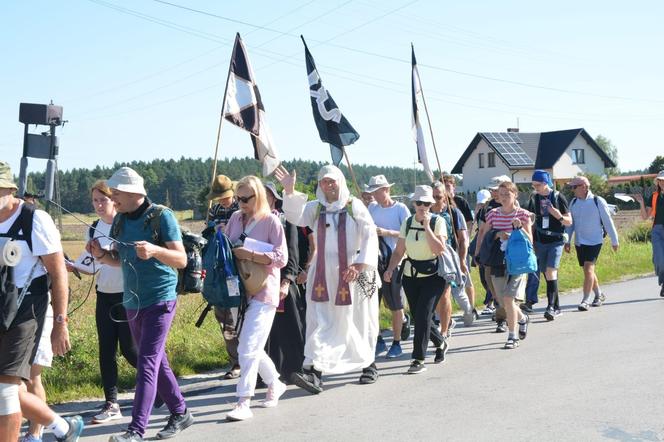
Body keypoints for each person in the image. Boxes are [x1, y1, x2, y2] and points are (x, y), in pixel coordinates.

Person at [89, 167, 193, 442]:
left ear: (133, 193)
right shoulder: (121, 220)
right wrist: (101, 255)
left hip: (160, 299)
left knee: (147, 363)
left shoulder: (161, 216)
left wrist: (155, 250)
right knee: (158, 363)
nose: (112, 198)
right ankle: (181, 412)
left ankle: (136, 430)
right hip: (132, 302)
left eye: (116, 193)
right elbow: (118, 260)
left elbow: (181, 260)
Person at [275, 164, 380, 392]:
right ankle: (314, 373)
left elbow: (370, 235)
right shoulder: (315, 208)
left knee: (357, 321)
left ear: (340, 181)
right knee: (319, 320)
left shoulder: (355, 206)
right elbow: (295, 217)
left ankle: (368, 364)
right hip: (323, 273)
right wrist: (290, 193)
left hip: (352, 271)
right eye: (324, 181)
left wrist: (360, 263)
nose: (328, 185)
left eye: (332, 180)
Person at [0, 161, 84, 442]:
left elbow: (58, 272)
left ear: (11, 190)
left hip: (27, 309)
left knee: (7, 389)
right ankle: (63, 427)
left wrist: (61, 322)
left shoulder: (34, 219)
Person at [67, 180, 138, 424]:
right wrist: (70, 266)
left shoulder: (126, 225)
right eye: (95, 201)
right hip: (104, 294)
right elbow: (90, 265)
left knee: (130, 350)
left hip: (128, 294)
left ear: (114, 200)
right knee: (106, 350)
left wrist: (106, 256)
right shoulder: (94, 228)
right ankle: (112, 403)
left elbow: (126, 259)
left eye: (103, 200)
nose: (98, 205)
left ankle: (162, 383)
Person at [224, 177, 288, 421]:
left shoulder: (271, 221)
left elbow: (281, 258)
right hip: (240, 291)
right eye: (238, 198)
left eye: (246, 198)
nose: (241, 203)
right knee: (248, 346)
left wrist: (251, 253)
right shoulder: (234, 219)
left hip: (264, 290)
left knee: (248, 347)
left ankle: (244, 400)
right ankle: (275, 383)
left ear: (258, 196)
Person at [384, 185, 449, 373]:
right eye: (419, 202)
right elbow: (399, 251)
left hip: (434, 276)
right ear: (414, 203)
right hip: (411, 276)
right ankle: (440, 343)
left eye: (426, 203)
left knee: (422, 315)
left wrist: (426, 226)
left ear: (431, 204)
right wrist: (390, 268)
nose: (422, 206)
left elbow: (439, 249)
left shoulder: (437, 222)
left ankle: (418, 359)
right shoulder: (407, 222)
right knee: (420, 316)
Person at [476, 181, 532, 349]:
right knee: (503, 301)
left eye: (508, 194)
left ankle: (512, 336)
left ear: (515, 195)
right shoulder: (492, 214)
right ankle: (522, 319)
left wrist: (518, 230)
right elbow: (484, 235)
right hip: (497, 260)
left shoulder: (523, 214)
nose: (504, 198)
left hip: (517, 261)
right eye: (501, 195)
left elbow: (530, 240)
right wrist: (480, 251)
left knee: (509, 298)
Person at [263, 182, 306, 383]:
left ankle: (295, 369)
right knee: (266, 330)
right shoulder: (251, 221)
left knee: (289, 326)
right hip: (260, 283)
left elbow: (292, 250)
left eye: (267, 195)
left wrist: (287, 279)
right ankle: (268, 373)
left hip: (282, 281)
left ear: (274, 198)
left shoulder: (284, 219)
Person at [366, 175, 411, 359]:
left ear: (386, 190)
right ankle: (377, 340)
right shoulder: (371, 208)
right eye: (372, 192)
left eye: (377, 191)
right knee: (371, 304)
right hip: (374, 261)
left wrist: (385, 232)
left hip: (395, 260)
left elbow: (408, 233)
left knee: (395, 304)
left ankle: (397, 342)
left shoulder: (401, 209)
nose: (374, 195)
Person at [565, 176, 619, 311]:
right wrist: (567, 240)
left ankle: (585, 300)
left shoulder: (597, 201)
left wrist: (614, 240)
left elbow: (608, 221)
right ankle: (599, 295)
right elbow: (570, 224)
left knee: (589, 269)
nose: (572, 190)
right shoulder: (573, 202)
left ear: (584, 187)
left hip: (595, 241)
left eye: (574, 187)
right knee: (588, 271)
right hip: (579, 242)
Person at [206, 174, 241, 380]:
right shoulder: (215, 209)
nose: (223, 200)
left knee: (240, 315)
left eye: (225, 196)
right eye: (219, 197)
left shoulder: (241, 206)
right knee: (224, 316)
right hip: (220, 269)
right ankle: (235, 361)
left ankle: (249, 359)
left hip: (238, 265)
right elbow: (208, 233)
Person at [527, 170, 572, 321]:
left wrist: (556, 214)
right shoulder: (534, 198)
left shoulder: (558, 197)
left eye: (538, 185)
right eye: (533, 185)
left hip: (556, 241)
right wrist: (531, 241)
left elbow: (569, 221)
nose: (535, 187)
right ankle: (557, 307)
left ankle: (550, 307)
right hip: (540, 241)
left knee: (551, 272)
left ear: (546, 183)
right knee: (547, 274)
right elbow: (531, 222)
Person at [431, 182, 476, 327]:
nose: (434, 200)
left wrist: (462, 260)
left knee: (457, 291)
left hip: (450, 258)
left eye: (438, 197)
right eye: (431, 197)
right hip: (431, 258)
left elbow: (463, 239)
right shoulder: (425, 213)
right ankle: (445, 322)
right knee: (441, 293)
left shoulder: (453, 213)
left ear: (445, 196)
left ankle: (468, 310)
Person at [20, 302, 53, 442]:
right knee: (12, 380)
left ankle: (35, 434)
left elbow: (59, 285)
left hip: (38, 313)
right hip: (14, 315)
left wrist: (61, 322)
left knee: (32, 377)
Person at [634, 170, 664, 297]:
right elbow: (645, 217)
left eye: (663, 180)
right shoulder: (654, 196)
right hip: (657, 230)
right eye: (660, 180)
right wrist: (641, 203)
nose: (662, 182)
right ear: (657, 182)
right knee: (659, 261)